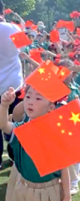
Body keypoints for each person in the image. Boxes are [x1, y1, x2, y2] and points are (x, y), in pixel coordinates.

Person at [0, 3, 24, 165]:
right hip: (13, 84)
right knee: (15, 122)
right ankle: (16, 155)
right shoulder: (12, 28)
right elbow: (23, 49)